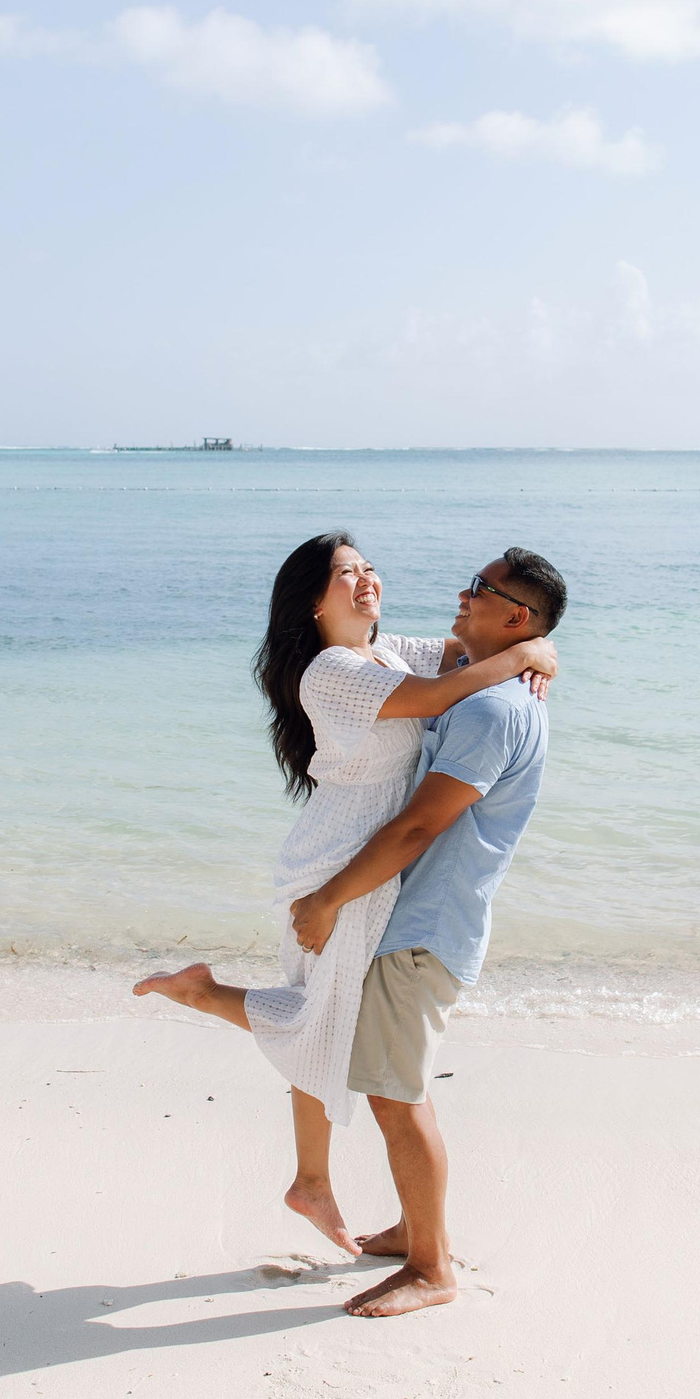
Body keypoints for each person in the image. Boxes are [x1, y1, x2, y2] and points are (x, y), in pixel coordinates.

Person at [139, 544, 567, 1319]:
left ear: (511, 611)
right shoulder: (334, 671)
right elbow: (448, 687)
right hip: (343, 867)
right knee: (337, 1034)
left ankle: (405, 1243)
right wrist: (529, 648)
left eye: (481, 589)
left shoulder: (394, 657)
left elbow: (452, 677)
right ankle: (374, 1210)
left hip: (373, 887)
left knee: (355, 1053)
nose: (371, 577)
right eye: (347, 571)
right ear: (312, 602)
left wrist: (537, 647)